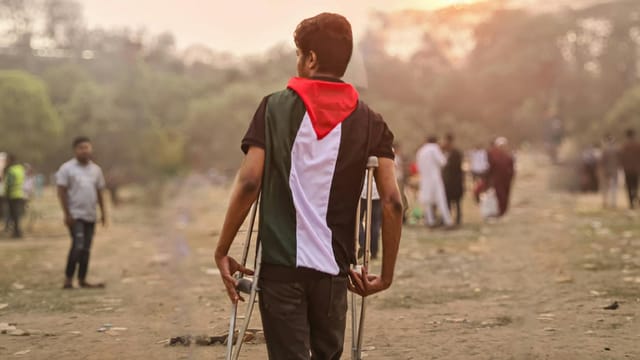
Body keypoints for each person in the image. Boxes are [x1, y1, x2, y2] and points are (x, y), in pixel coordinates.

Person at [214, 13, 403, 360]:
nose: (298, 62)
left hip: (281, 269)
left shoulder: (273, 108)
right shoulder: (370, 120)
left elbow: (249, 181)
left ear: (311, 58)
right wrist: (386, 276)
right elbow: (392, 201)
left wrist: (222, 249)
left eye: (299, 54)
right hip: (334, 272)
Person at [56, 136, 107, 289]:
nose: (85, 150)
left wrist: (104, 213)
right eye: (81, 148)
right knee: (77, 246)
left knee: (86, 248)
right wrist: (67, 214)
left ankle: (82, 279)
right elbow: (61, 192)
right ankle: (68, 279)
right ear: (75, 150)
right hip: (75, 215)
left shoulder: (96, 170)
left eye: (87, 147)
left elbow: (99, 192)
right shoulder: (67, 168)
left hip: (90, 215)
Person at [416, 136, 453, 228]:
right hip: (435, 178)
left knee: (427, 201)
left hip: (425, 178)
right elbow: (443, 161)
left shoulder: (421, 151)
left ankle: (430, 221)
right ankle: (447, 221)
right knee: (441, 199)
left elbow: (418, 167)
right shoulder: (434, 149)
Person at [487, 137, 515, 217]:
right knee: (500, 195)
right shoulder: (493, 155)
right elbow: (491, 167)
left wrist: (511, 176)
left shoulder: (508, 157)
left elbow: (512, 168)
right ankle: (500, 211)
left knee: (505, 195)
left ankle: (504, 211)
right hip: (497, 179)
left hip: (506, 180)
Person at [442, 133, 464, 225]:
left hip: (455, 180)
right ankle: (448, 218)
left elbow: (455, 168)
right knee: (448, 201)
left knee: (457, 202)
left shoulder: (455, 153)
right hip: (448, 181)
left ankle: (458, 219)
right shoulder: (446, 153)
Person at [358, 177, 381, 260]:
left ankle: (363, 244)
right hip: (376, 190)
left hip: (362, 189)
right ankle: (373, 251)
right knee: (375, 222)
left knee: (357, 220)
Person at [4, 154, 26, 238]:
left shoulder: (11, 170)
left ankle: (17, 232)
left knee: (13, 215)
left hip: (12, 195)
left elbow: (9, 183)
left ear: (10, 160)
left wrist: (6, 193)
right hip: (20, 194)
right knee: (17, 215)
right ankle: (17, 231)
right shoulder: (20, 168)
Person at [619, 129, 640, 209]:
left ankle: (631, 203)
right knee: (635, 186)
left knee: (629, 187)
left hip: (627, 170)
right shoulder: (637, 145)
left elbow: (621, 158)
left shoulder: (624, 146)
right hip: (636, 170)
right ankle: (636, 198)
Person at [599, 134, 619, 209]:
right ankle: (613, 203)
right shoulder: (616, 149)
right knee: (614, 187)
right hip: (614, 170)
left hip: (606, 170)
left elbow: (602, 161)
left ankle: (605, 201)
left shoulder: (605, 150)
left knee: (606, 187)